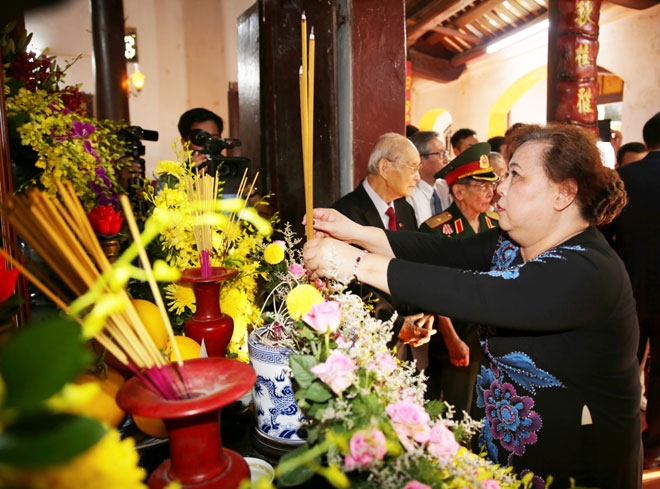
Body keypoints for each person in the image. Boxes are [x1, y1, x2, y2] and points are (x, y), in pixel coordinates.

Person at [303, 123, 640, 489]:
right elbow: (439, 253)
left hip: (572, 464)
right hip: (503, 450)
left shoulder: (588, 270)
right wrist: (355, 232)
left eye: (515, 176)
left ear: (563, 194)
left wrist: (355, 264)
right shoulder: (511, 244)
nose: (501, 188)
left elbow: (475, 292)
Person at [331, 132, 434, 361]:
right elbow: (350, 285)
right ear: (385, 168)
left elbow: (415, 264)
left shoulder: (405, 209)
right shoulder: (346, 214)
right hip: (375, 342)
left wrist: (427, 310)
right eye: (413, 167)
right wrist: (396, 325)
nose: (418, 176)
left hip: (414, 344)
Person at [418, 142, 500, 413]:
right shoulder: (437, 230)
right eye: (481, 186)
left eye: (491, 185)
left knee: (491, 407)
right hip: (458, 332)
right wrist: (452, 337)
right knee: (460, 408)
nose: (490, 191)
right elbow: (432, 288)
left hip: (492, 333)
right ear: (459, 191)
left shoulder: (495, 225)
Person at [603, 111, 660, 471]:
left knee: (621, 365)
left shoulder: (623, 178)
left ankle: (613, 441)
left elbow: (603, 237)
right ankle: (654, 446)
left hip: (628, 290)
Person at [406, 130, 452, 227]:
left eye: (445, 153)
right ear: (420, 160)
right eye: (441, 154)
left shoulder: (445, 188)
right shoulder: (409, 196)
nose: (447, 159)